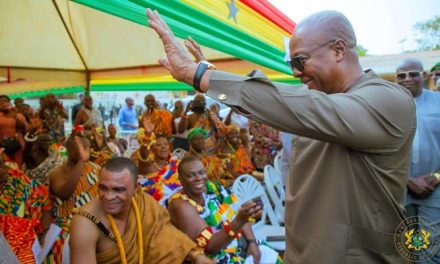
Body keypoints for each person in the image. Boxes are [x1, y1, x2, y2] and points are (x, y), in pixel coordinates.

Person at [147, 9, 416, 263]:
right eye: (292, 63)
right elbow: (285, 105)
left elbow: (309, 107)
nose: (295, 72)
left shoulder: (389, 100)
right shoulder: (317, 101)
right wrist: (216, 76)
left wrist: (204, 77)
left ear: (338, 50)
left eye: (300, 61)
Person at [70, 157, 213, 264]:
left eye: (118, 190)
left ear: (136, 189)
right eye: (103, 188)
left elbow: (167, 235)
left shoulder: (142, 202)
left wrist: (197, 256)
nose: (108, 197)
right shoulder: (85, 222)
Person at [169, 156, 282, 264]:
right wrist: (239, 220)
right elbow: (211, 247)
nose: (199, 178)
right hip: (215, 258)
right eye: (190, 175)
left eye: (202, 172)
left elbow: (236, 209)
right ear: (180, 179)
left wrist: (252, 242)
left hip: (241, 244)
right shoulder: (181, 205)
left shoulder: (212, 187)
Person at [396, 58, 440, 263]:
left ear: (424, 75)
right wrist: (406, 179)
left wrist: (436, 176)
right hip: (398, 187)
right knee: (403, 247)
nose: (407, 79)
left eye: (413, 74)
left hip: (434, 188)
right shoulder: (387, 106)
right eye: (401, 75)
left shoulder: (438, 102)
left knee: (430, 247)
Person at [49, 135, 101, 262]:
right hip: (67, 225)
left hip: (96, 219)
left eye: (87, 147)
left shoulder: (95, 168)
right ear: (69, 149)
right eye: (81, 147)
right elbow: (64, 193)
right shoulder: (57, 173)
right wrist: (81, 162)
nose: (86, 150)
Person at [0, 95, 27, 167]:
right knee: (7, 168)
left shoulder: (16, 114)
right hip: (2, 148)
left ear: (9, 103)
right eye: (1, 101)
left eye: (6, 101)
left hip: (16, 145)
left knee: (18, 168)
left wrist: (16, 117)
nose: (3, 103)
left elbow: (24, 128)